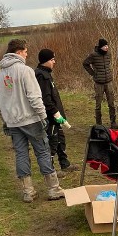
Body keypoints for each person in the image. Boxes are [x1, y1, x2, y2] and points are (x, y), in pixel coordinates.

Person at [0, 39, 65, 202]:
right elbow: (34, 97)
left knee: (21, 154)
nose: (27, 55)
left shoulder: (0, 74)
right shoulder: (25, 71)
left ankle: (28, 191)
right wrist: (43, 116)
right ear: (19, 52)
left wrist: (5, 120)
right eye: (26, 51)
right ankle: (53, 189)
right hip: (31, 120)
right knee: (42, 151)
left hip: (13, 122)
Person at [35, 48, 78, 177]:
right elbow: (46, 99)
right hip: (50, 116)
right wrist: (55, 113)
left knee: (60, 139)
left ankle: (65, 164)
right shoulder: (42, 76)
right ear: (45, 61)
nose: (54, 62)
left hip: (55, 116)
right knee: (52, 141)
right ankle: (51, 169)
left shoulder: (47, 74)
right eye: (52, 59)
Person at [82, 38, 118, 129]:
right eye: (105, 46)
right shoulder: (93, 55)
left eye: (107, 46)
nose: (107, 47)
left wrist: (109, 73)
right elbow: (85, 63)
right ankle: (99, 124)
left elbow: (108, 65)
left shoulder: (108, 54)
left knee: (111, 103)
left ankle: (113, 122)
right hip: (98, 83)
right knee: (98, 104)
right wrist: (93, 73)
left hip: (109, 82)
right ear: (101, 47)